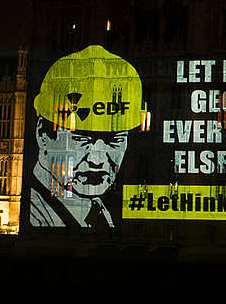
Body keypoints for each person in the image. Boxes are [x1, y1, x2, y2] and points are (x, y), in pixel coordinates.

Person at [28, 45, 147, 230]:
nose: (97, 159)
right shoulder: (36, 216)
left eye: (114, 140)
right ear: (43, 135)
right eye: (82, 139)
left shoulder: (99, 211)